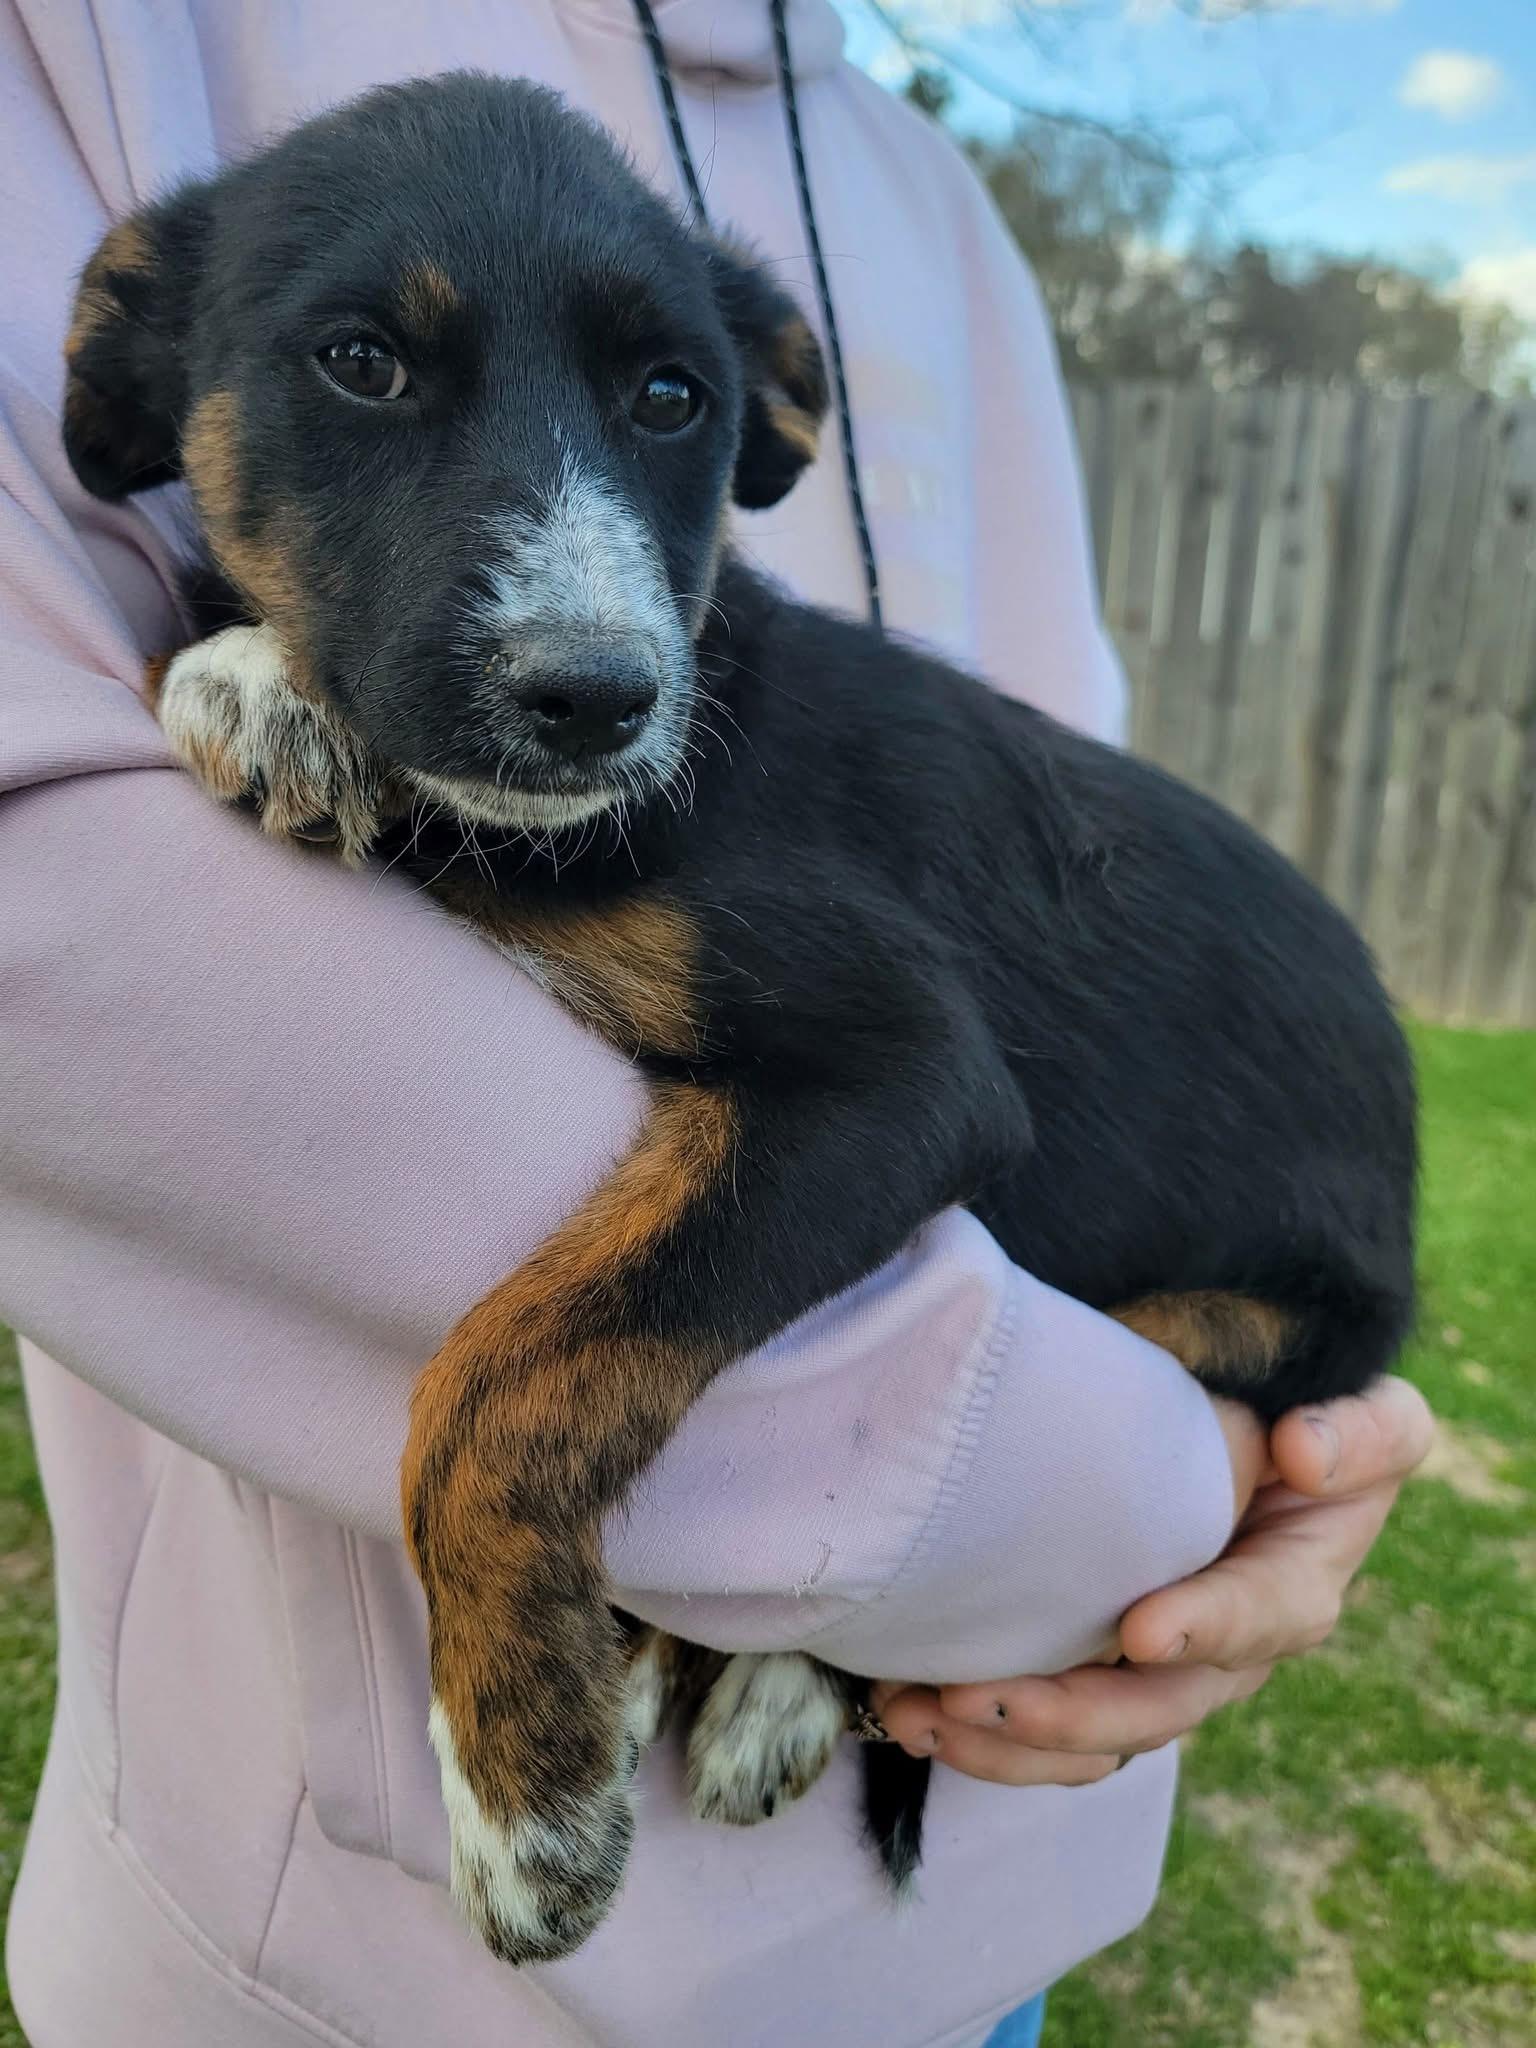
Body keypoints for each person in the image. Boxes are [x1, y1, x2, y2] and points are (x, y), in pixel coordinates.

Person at [0, 2, 1432, 2043]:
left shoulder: (941, 209)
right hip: (318, 1975)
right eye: (363, 366)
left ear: (748, 415)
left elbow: (906, 1068)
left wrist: (1211, 1480)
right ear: (160, 379)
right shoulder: (97, 38)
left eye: (664, 397)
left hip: (1155, 1469)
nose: (595, 638)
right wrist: (1058, 1484)